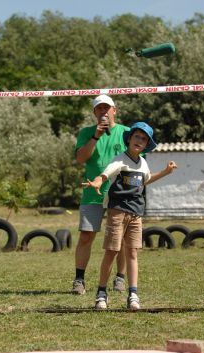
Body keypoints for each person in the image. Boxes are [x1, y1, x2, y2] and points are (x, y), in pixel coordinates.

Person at [85, 122, 177, 310]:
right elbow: (105, 174)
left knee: (132, 252)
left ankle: (133, 294)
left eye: (144, 139)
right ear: (129, 139)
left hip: (136, 213)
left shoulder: (143, 163)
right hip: (117, 211)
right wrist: (96, 182)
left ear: (146, 145)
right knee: (112, 251)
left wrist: (166, 172)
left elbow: (146, 179)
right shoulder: (120, 159)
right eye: (137, 136)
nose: (139, 141)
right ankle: (101, 293)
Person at [72, 94, 130, 295]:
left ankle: (120, 279)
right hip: (92, 192)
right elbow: (81, 158)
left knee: (120, 238)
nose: (103, 111)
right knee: (86, 235)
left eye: (107, 108)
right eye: (99, 108)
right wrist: (95, 136)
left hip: (120, 194)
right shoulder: (86, 133)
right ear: (95, 113)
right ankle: (79, 280)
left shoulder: (127, 133)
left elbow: (136, 161)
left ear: (115, 110)